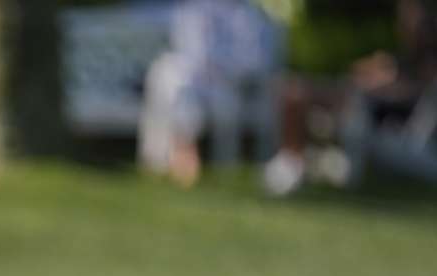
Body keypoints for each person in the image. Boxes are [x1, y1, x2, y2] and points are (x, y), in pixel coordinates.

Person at [263, 0, 437, 195]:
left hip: (379, 115)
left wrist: (382, 86)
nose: (402, 23)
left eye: (409, 17)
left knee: (303, 94)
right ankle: (292, 157)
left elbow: (415, 91)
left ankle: (292, 160)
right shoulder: (406, 58)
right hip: (361, 101)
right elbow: (360, 70)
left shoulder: (428, 62)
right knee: (299, 93)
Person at [138, 0, 281, 187]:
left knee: (178, 86)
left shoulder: (249, 15)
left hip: (229, 85)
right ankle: (173, 154)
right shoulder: (194, 9)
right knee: (170, 79)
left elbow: (256, 61)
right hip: (194, 78)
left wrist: (223, 70)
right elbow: (188, 48)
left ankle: (181, 155)